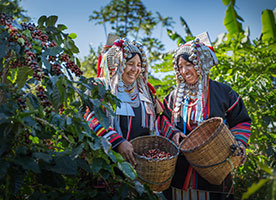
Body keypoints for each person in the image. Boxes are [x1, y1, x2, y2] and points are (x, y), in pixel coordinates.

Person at [157, 37, 251, 200]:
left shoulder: (223, 92)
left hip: (215, 168)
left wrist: (239, 143)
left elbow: (241, 120)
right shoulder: (174, 97)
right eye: (180, 67)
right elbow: (162, 119)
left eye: (189, 64)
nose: (184, 71)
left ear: (200, 65)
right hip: (180, 172)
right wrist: (173, 132)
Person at [84, 36, 163, 167]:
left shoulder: (145, 91)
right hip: (108, 163)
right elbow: (89, 117)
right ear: (116, 63)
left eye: (139, 65)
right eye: (130, 64)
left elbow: (159, 119)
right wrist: (118, 142)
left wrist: (174, 133)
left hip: (141, 165)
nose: (135, 69)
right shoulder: (100, 87)